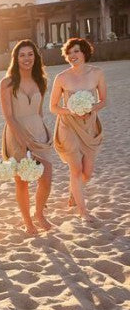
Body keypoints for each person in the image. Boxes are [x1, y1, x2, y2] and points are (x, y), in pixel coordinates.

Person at [0, 39, 53, 234]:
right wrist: (22, 139)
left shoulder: (42, 81)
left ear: (36, 57)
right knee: (22, 181)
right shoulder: (7, 83)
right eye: (22, 55)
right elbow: (8, 116)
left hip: (38, 132)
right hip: (16, 132)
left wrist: (41, 132)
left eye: (30, 54)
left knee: (46, 178)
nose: (26, 58)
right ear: (16, 58)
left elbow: (39, 111)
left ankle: (39, 213)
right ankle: (27, 220)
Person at [50, 37, 105, 220]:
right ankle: (83, 211)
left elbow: (103, 100)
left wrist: (90, 108)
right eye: (69, 52)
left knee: (86, 173)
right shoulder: (61, 77)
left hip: (89, 125)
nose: (72, 55)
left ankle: (74, 191)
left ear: (84, 53)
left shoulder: (97, 73)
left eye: (76, 51)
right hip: (68, 125)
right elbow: (53, 107)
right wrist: (72, 111)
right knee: (76, 169)